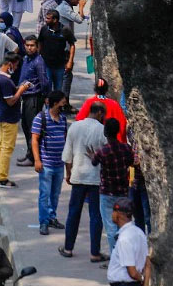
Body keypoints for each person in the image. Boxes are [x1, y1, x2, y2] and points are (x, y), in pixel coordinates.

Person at [60, 101, 107, 262]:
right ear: (100, 113)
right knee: (96, 215)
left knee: (73, 212)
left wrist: (68, 173)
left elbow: (67, 154)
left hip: (78, 175)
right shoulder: (102, 130)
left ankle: (68, 248)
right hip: (95, 177)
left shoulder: (75, 127)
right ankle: (95, 252)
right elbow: (107, 153)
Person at [91, 118, 135, 257]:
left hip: (107, 193)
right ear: (117, 131)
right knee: (123, 226)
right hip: (122, 192)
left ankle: (115, 258)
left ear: (105, 133)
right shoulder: (125, 148)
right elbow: (130, 161)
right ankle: (125, 255)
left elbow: (94, 162)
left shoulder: (102, 151)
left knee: (110, 228)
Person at [33, 90, 69, 234]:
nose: (64, 105)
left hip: (59, 164)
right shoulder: (40, 118)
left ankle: (52, 217)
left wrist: (68, 166)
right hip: (46, 164)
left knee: (55, 194)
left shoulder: (63, 119)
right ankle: (43, 221)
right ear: (55, 103)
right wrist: (37, 160)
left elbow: (66, 139)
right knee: (44, 194)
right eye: (62, 103)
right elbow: (34, 140)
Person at [0, 52, 28, 187]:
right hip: (9, 118)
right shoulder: (5, 81)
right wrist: (21, 90)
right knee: (7, 148)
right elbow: (11, 101)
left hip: (2, 115)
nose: (16, 68)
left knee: (1, 146)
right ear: (10, 64)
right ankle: (2, 177)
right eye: (16, 65)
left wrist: (17, 88)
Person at [17, 35, 48, 167]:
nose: (29, 48)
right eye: (27, 45)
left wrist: (46, 97)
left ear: (37, 47)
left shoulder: (38, 61)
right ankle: (30, 153)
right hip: (25, 97)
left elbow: (44, 81)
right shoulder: (25, 59)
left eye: (32, 46)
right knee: (25, 125)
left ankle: (34, 157)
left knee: (32, 128)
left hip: (34, 98)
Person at [106, 199, 150, 286]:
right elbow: (147, 264)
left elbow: (132, 273)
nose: (112, 214)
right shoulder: (139, 232)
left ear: (119, 214)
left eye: (113, 211)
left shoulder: (124, 239)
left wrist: (141, 278)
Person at [76, 78, 128, 142]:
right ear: (106, 89)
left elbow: (79, 119)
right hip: (112, 142)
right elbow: (122, 123)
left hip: (93, 141)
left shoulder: (89, 103)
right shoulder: (114, 104)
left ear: (95, 89)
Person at [39, 9, 77, 96]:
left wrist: (70, 61)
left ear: (55, 20)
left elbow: (72, 45)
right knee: (47, 90)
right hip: (47, 65)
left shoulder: (65, 30)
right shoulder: (44, 29)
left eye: (48, 18)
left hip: (60, 66)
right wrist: (39, 58)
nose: (46, 20)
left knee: (59, 92)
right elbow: (40, 42)